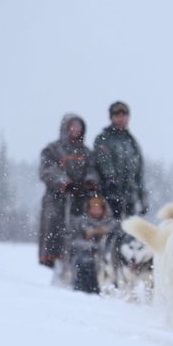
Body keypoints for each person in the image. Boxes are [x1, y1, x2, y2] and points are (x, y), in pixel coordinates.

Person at [38, 113, 100, 278]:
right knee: (56, 233)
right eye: (72, 126)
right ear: (65, 128)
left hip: (79, 199)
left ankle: (77, 270)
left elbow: (92, 170)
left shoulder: (86, 152)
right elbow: (47, 170)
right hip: (56, 200)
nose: (75, 130)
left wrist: (88, 182)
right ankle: (57, 268)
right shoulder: (52, 149)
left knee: (79, 232)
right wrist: (65, 183)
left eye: (78, 127)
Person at [94, 100, 147, 219]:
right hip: (108, 198)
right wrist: (111, 180)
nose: (121, 118)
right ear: (111, 118)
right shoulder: (103, 139)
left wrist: (142, 197)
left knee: (129, 233)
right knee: (110, 232)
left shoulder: (132, 142)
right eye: (117, 115)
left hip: (130, 199)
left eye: (124, 115)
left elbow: (138, 173)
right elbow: (104, 162)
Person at [69, 195, 118, 294]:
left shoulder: (112, 224)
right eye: (93, 208)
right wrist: (91, 245)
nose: (96, 211)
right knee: (85, 261)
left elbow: (115, 242)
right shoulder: (81, 222)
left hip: (107, 256)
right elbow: (73, 241)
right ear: (88, 209)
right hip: (87, 254)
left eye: (98, 208)